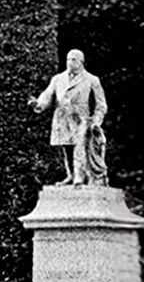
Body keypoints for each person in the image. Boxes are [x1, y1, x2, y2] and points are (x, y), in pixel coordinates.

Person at [30, 49, 109, 185]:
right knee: (66, 148)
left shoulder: (91, 79)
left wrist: (96, 120)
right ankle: (71, 175)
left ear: (81, 62)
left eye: (73, 59)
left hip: (81, 118)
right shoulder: (58, 79)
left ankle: (79, 177)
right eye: (68, 59)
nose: (70, 62)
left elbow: (101, 104)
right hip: (62, 117)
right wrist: (38, 104)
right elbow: (47, 94)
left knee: (79, 146)